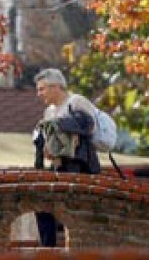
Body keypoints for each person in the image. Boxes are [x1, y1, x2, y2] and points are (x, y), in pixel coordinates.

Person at [32, 68, 100, 247]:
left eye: (42, 89)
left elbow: (89, 125)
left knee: (76, 211)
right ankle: (48, 250)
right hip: (57, 167)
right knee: (41, 204)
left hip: (81, 167)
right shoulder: (49, 111)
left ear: (56, 87)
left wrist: (56, 123)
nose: (38, 94)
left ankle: (79, 251)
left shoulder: (76, 101)